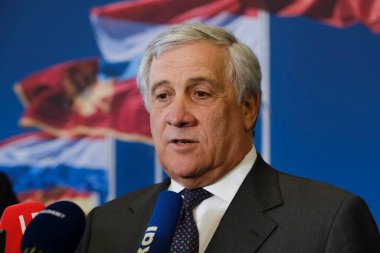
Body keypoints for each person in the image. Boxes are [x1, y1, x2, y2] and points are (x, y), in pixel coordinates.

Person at [76, 23, 380, 253]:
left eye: (200, 93)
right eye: (162, 95)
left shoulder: (327, 221)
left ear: (248, 107)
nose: (177, 115)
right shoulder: (104, 226)